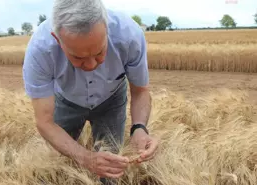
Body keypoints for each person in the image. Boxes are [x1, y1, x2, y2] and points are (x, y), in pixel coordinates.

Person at [22, 0, 159, 184]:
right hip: (66, 100)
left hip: (112, 100)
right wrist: (86, 158)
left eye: (100, 52)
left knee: (111, 170)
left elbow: (141, 91)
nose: (92, 65)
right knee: (55, 162)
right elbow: (45, 122)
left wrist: (139, 128)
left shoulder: (129, 35)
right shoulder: (40, 50)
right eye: (78, 57)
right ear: (57, 39)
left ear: (107, 28)